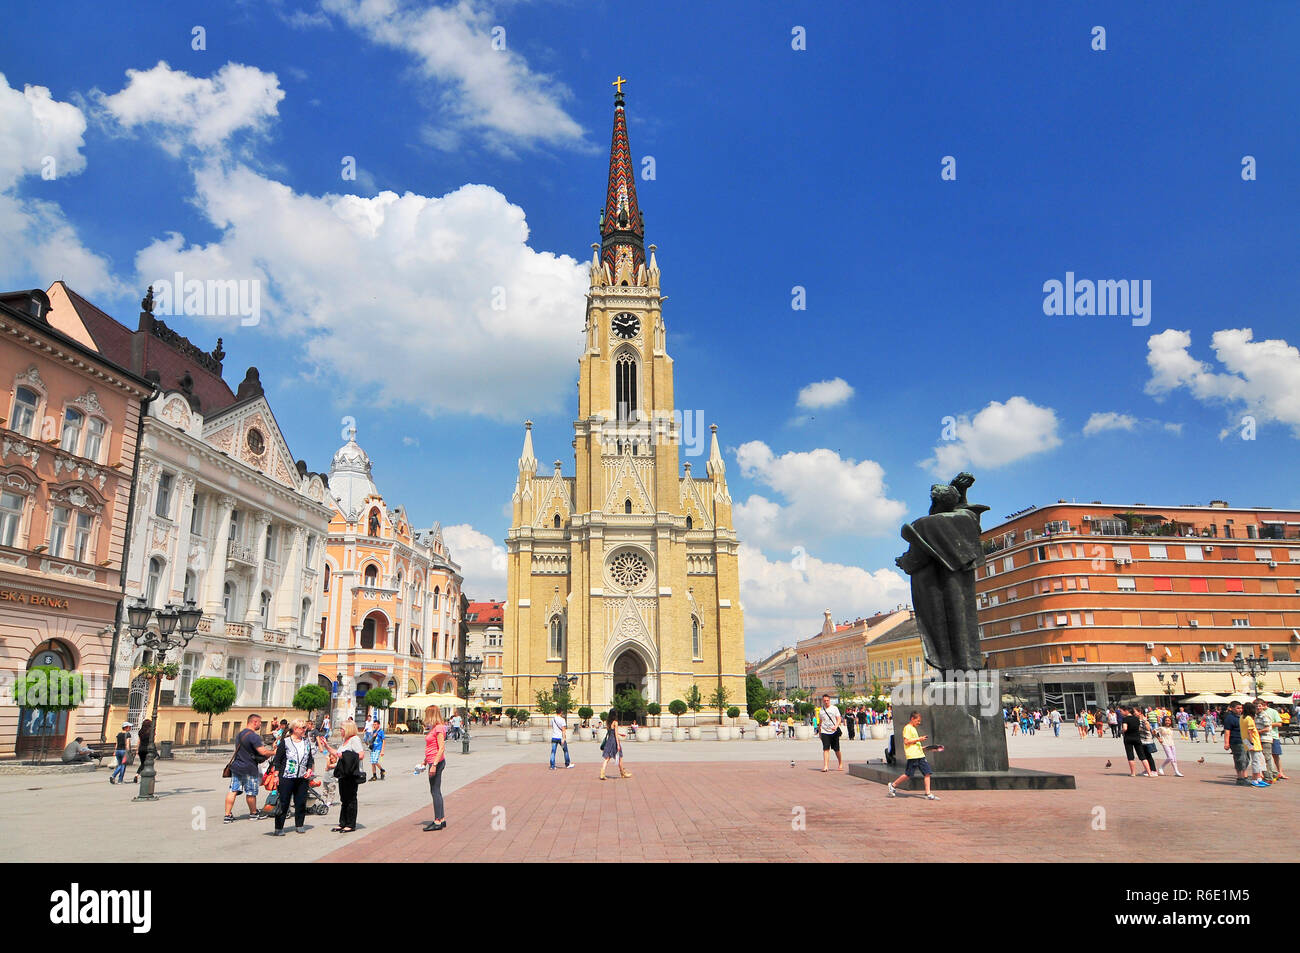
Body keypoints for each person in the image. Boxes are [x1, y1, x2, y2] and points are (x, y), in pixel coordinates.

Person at [224, 714, 276, 822]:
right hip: (249, 768)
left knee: (233, 790)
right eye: (260, 723)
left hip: (237, 766)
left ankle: (227, 815)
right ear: (254, 722)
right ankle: (253, 813)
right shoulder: (254, 736)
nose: (260, 725)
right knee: (251, 792)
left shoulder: (240, 734)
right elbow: (263, 752)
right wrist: (274, 752)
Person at [271, 719, 315, 835]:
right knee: (284, 801)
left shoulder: (306, 742)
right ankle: (279, 827)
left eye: (305, 727)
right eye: (303, 728)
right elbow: (278, 760)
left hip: (302, 776)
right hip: (286, 776)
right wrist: (276, 775)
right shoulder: (285, 742)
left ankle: (300, 824)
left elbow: (310, 758)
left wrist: (309, 769)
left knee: (300, 801)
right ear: (295, 729)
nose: (305, 730)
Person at [319, 721, 365, 833]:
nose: (341, 730)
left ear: (348, 729)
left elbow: (361, 755)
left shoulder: (355, 739)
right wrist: (326, 746)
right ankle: (343, 822)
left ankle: (350, 824)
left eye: (342, 728)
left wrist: (344, 755)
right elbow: (337, 753)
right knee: (344, 799)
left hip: (351, 774)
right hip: (343, 773)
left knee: (351, 799)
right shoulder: (345, 740)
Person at [887, 711, 938, 800]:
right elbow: (906, 742)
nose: (919, 723)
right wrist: (919, 739)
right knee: (908, 774)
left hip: (920, 755)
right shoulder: (907, 728)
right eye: (917, 721)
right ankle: (893, 785)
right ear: (912, 719)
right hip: (913, 756)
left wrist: (926, 748)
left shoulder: (913, 729)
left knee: (927, 773)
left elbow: (915, 744)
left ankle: (928, 793)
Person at [422, 706, 449, 831]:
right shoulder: (436, 727)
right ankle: (441, 819)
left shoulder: (438, 728)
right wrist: (425, 761)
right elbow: (431, 747)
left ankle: (437, 820)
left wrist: (433, 765)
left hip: (436, 763)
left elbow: (441, 747)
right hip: (432, 760)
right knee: (436, 790)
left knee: (435, 791)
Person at [1121, 705, 1156, 777]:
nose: (1121, 713)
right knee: (1142, 756)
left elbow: (1125, 728)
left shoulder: (1125, 719)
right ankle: (1149, 772)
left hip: (1130, 738)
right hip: (1138, 738)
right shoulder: (1136, 719)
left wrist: (1122, 731)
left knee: (1131, 756)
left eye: (1121, 711)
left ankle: (1133, 773)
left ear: (1126, 711)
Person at [1255, 699, 1284, 781]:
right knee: (1262, 758)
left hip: (1266, 738)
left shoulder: (1265, 715)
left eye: (1259, 706)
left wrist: (1258, 731)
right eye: (1256, 706)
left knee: (1267, 758)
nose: (1258, 708)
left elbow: (1268, 728)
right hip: (1259, 739)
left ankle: (1269, 777)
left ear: (1263, 706)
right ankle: (1275, 774)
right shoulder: (1256, 715)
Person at [1222, 700, 1249, 786]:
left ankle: (1245, 776)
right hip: (1236, 740)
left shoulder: (1243, 717)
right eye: (1238, 708)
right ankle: (1240, 778)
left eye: (1241, 708)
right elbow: (1227, 731)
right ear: (1232, 708)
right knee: (1240, 759)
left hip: (1246, 740)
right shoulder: (1229, 718)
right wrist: (1226, 743)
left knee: (1247, 759)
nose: (1240, 710)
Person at [1241, 702, 1268, 787]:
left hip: (1245, 740)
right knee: (1256, 761)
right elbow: (1250, 732)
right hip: (1253, 742)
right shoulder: (1249, 718)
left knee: (1260, 759)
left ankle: (1259, 778)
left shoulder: (1242, 717)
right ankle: (1255, 779)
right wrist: (1252, 743)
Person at [818, 694, 843, 773]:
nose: (826, 702)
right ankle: (825, 766)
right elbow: (820, 722)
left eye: (827, 700)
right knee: (826, 749)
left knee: (836, 749)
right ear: (823, 701)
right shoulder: (821, 710)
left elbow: (839, 719)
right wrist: (820, 732)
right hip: (825, 731)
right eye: (824, 701)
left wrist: (836, 726)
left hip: (834, 731)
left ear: (830, 700)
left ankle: (840, 763)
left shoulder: (834, 708)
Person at [131, 718, 154, 784]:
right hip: (148, 749)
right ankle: (143, 776)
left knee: (142, 763)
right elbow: (152, 742)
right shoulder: (150, 732)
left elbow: (139, 741)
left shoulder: (140, 732)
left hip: (141, 749)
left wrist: (137, 749)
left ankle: (137, 775)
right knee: (147, 764)